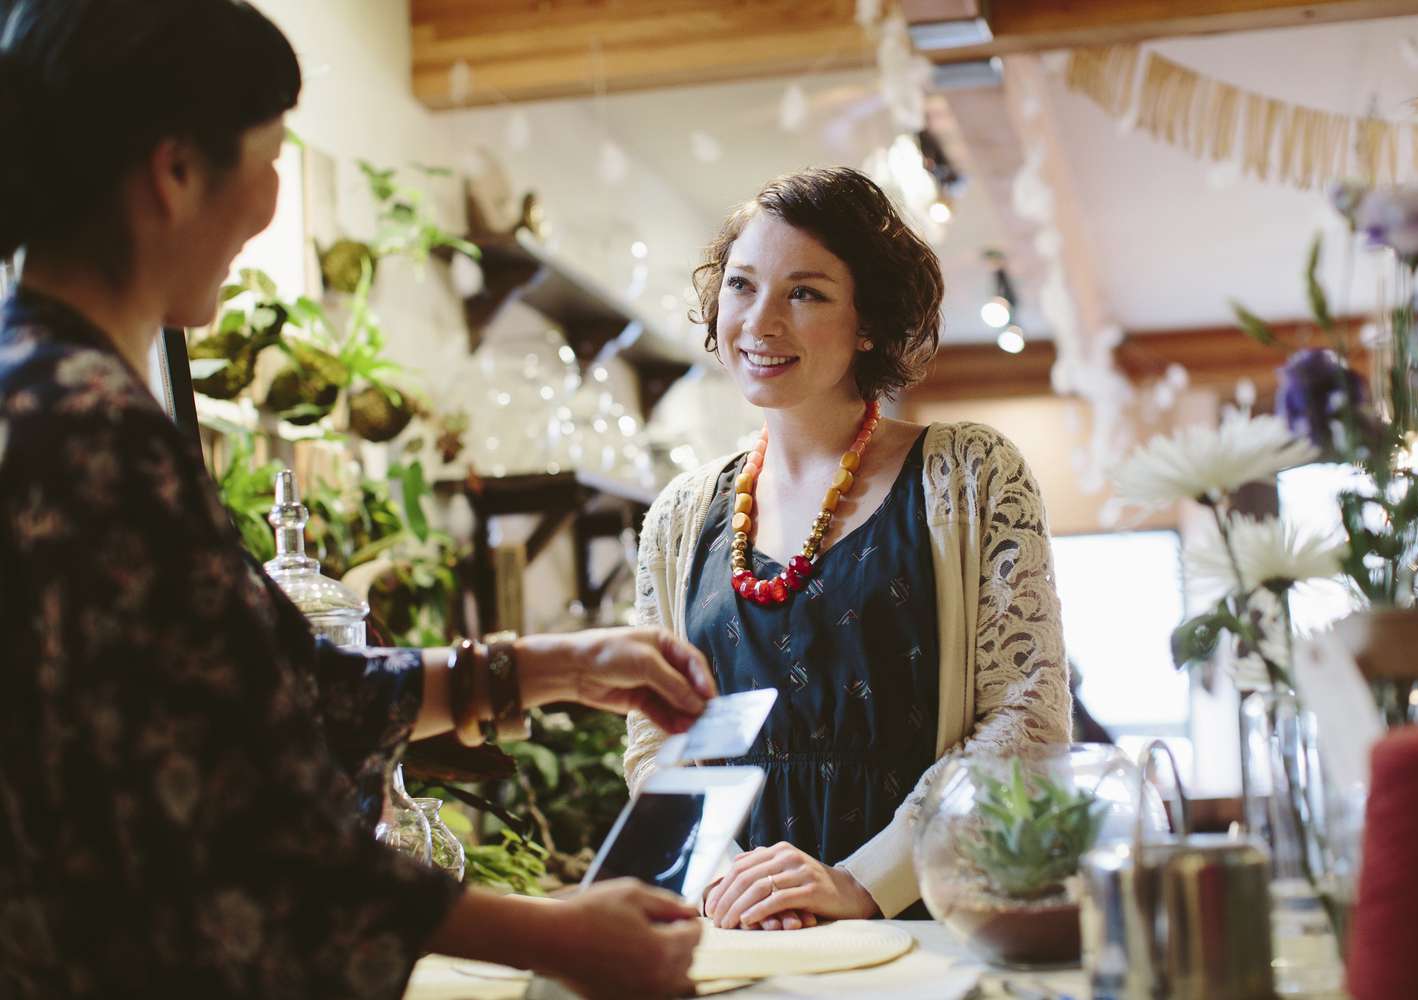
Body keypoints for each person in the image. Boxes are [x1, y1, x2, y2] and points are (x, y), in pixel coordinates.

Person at [0, 2, 713, 997]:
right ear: (173, 171)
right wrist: (558, 937)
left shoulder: (41, 388)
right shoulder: (92, 436)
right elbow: (248, 834)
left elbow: (299, 696)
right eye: (271, 150)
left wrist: (559, 664)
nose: (269, 199)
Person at [624, 167, 1073, 931]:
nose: (760, 321)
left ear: (869, 321)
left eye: (805, 292)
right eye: (741, 285)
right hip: (741, 930)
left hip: (924, 919)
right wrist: (730, 878)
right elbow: (653, 737)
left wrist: (860, 882)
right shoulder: (679, 516)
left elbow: (1027, 718)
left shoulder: (969, 472)